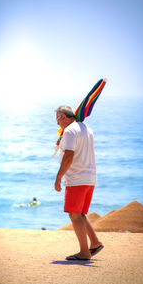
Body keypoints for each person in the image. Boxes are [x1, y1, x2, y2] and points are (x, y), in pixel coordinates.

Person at [54, 105, 103, 260]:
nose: (57, 123)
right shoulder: (86, 128)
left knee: (74, 215)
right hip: (89, 177)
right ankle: (94, 243)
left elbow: (69, 156)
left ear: (63, 117)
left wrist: (59, 176)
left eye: (57, 119)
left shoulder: (69, 131)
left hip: (77, 178)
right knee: (80, 213)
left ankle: (84, 252)